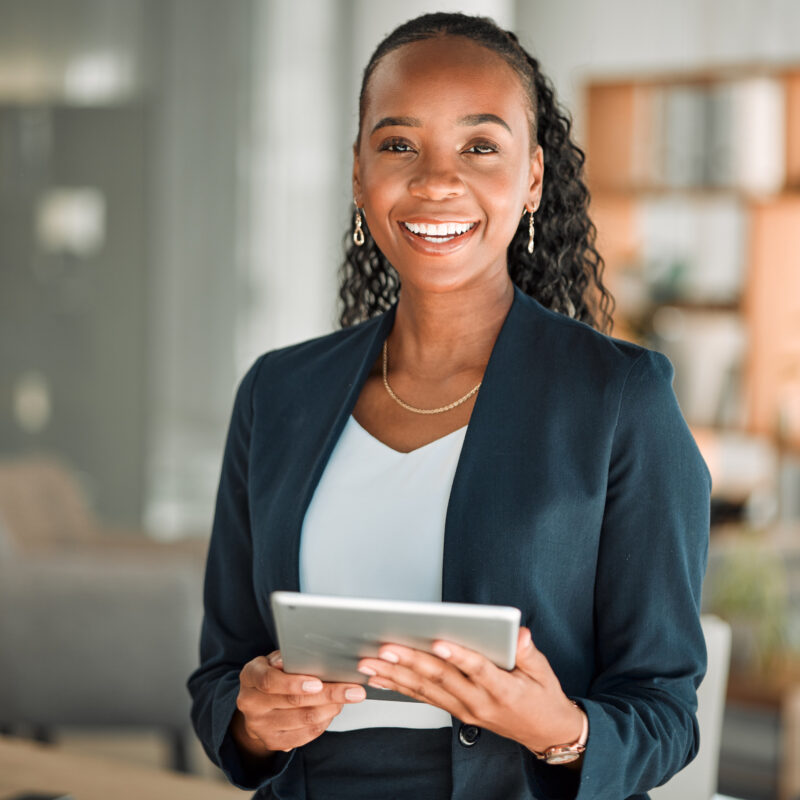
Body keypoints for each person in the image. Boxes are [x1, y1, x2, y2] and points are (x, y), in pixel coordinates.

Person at [187, 12, 711, 800]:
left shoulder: (619, 399)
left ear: (531, 177)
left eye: (480, 146)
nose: (436, 181)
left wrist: (558, 729)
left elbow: (665, 713)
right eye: (398, 145)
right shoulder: (278, 393)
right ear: (359, 174)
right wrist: (254, 720)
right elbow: (221, 675)